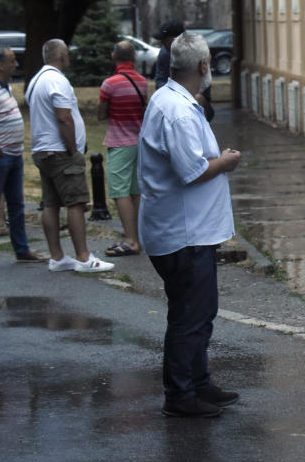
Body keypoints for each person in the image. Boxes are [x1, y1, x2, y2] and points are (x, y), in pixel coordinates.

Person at [138, 32, 242, 418]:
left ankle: (199, 381)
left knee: (199, 311)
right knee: (189, 316)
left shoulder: (174, 101)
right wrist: (226, 161)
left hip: (190, 230)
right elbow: (192, 171)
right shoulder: (178, 110)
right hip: (184, 234)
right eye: (210, 61)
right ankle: (180, 394)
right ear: (202, 65)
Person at [27, 39, 114, 273]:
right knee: (76, 203)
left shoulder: (36, 80)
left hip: (42, 149)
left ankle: (57, 257)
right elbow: (63, 117)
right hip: (60, 151)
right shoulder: (57, 80)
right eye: (67, 54)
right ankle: (84, 257)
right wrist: (73, 148)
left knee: (51, 203)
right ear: (62, 56)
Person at [0, 47, 45, 268]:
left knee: (17, 204)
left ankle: (21, 249)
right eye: (12, 61)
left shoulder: (4, 87)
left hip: (12, 155)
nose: (16, 64)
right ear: (1, 65)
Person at [97, 40, 148, 257]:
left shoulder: (110, 84)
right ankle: (136, 237)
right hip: (138, 141)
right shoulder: (142, 82)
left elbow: (101, 114)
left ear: (113, 57)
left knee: (119, 191)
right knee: (135, 191)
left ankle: (130, 240)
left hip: (119, 142)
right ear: (133, 58)